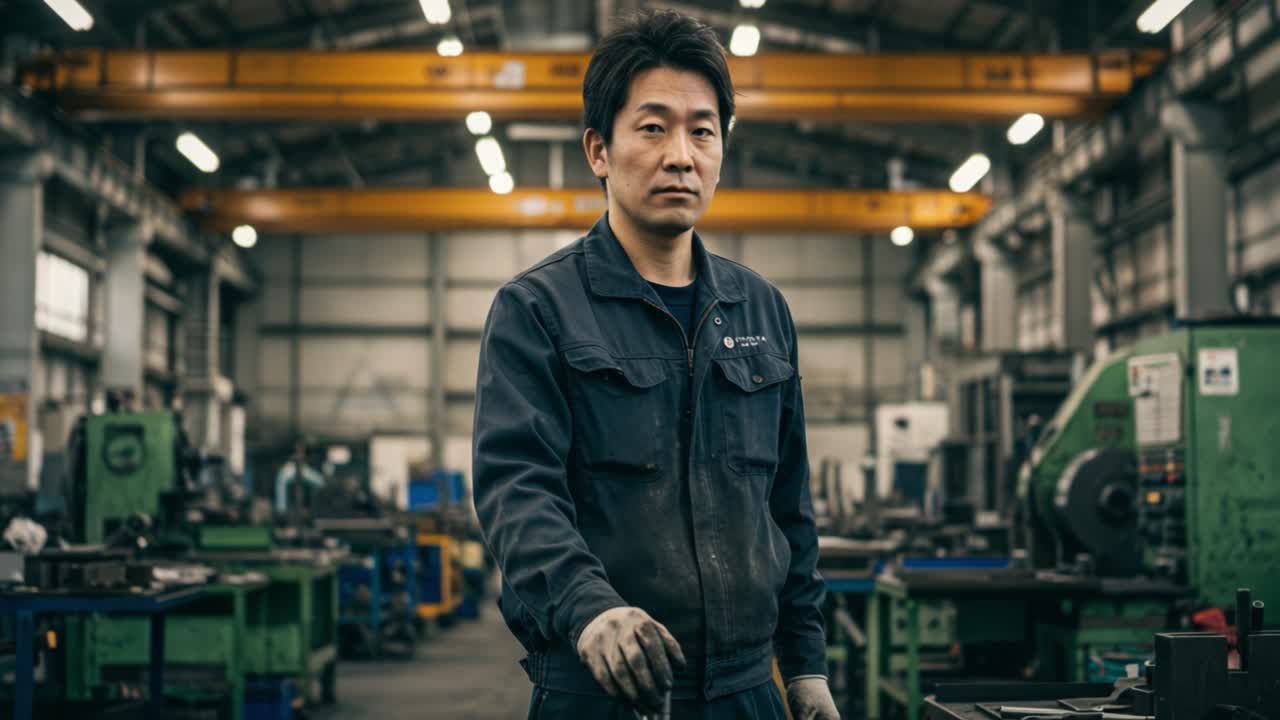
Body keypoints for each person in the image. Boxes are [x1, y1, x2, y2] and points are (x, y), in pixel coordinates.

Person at [472, 10, 838, 720]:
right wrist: (590, 613)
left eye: (702, 130)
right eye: (652, 127)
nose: (681, 155)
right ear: (598, 150)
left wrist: (806, 664)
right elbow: (517, 493)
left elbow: (789, 508)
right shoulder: (539, 311)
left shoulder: (761, 311)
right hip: (604, 691)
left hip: (747, 692)